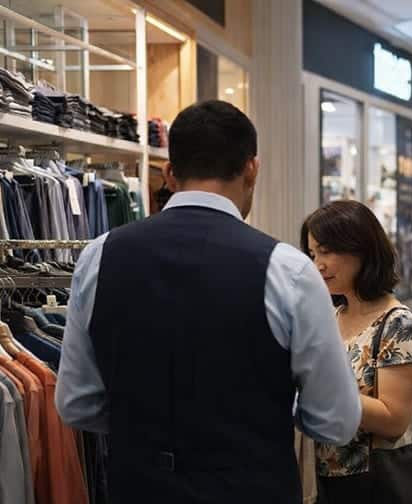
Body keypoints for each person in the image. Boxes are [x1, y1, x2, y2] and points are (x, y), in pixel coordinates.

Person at [55, 100, 361, 504]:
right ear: (252, 168)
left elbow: (76, 404)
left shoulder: (99, 257)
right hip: (254, 487)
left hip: (138, 486)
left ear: (168, 172)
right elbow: (336, 421)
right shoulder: (288, 270)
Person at [301, 200, 412, 502]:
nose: (318, 264)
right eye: (312, 253)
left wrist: (318, 392)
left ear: (361, 248)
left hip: (374, 484)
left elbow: (394, 420)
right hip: (325, 480)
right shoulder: (333, 316)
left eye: (327, 251)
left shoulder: (398, 324)